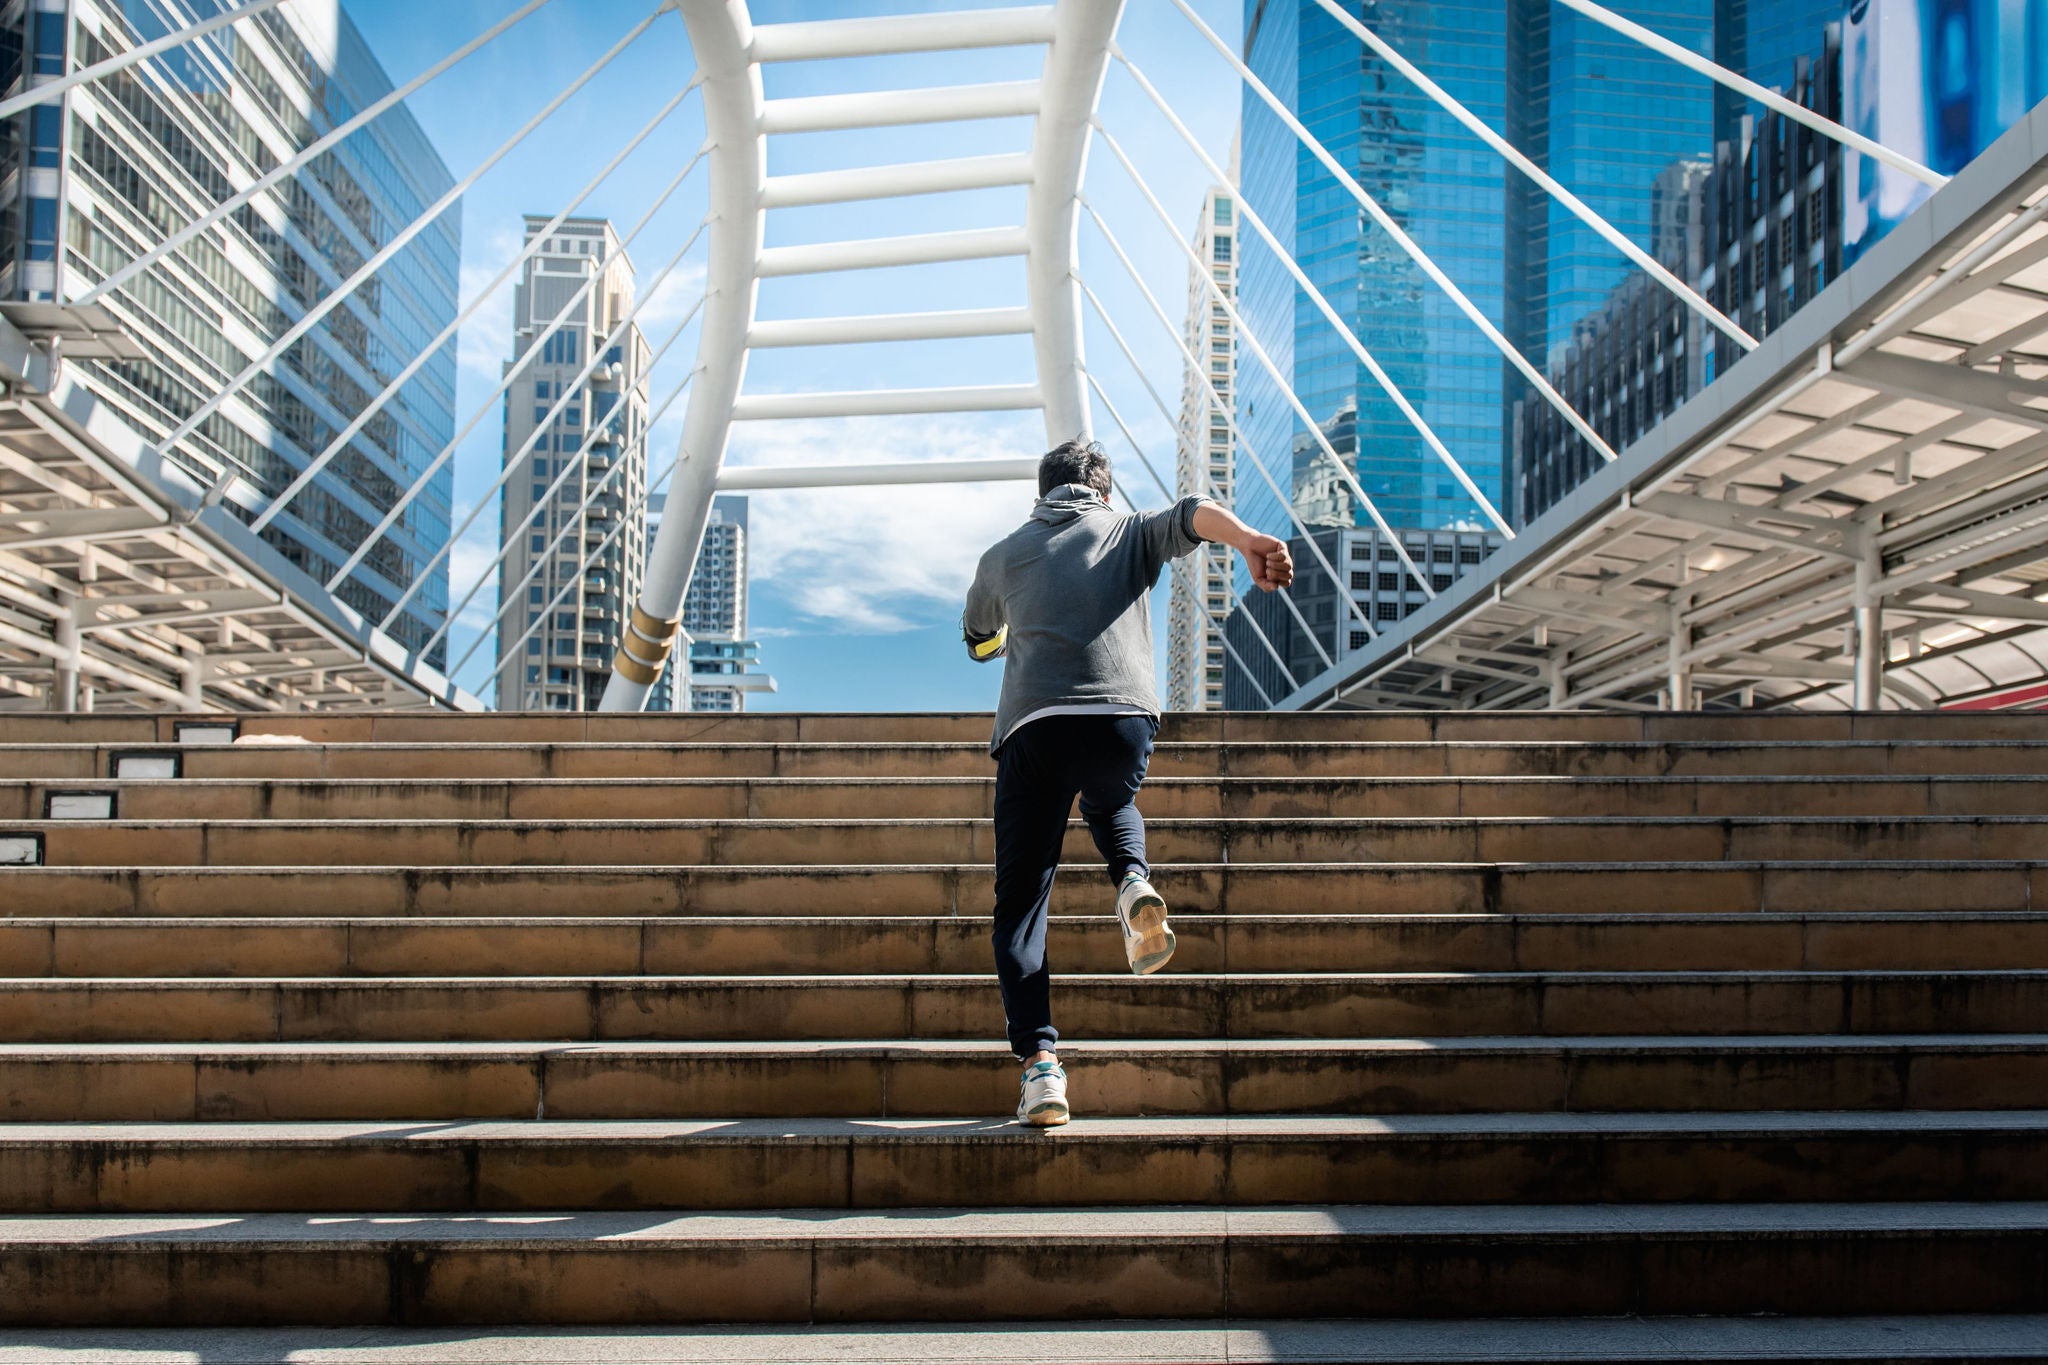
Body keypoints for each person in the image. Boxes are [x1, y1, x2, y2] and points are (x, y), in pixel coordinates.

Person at [962, 438, 1295, 1127]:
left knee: (1020, 904)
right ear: (1104, 492)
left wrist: (1003, 635)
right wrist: (1249, 540)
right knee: (1110, 796)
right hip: (1125, 722)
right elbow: (1193, 511)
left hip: (1035, 728)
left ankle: (1041, 1069)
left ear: (1040, 492)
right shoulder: (1130, 530)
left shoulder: (1001, 554)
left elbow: (979, 639)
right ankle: (1134, 880)